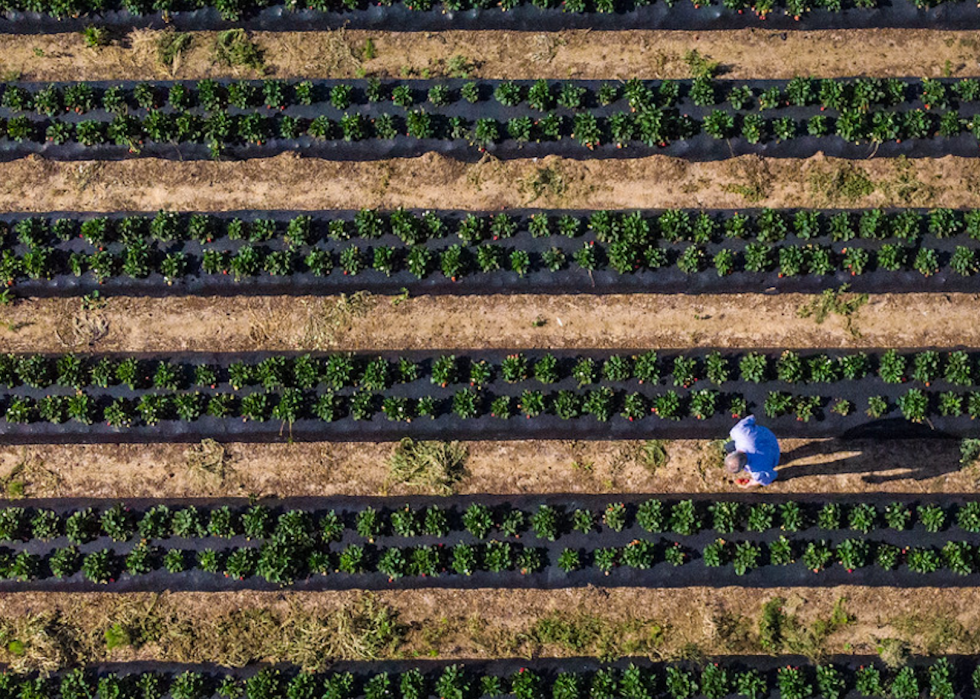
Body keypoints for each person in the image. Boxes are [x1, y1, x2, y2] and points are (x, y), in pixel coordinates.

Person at [724, 414, 780, 488]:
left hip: (774, 454)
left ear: (744, 466)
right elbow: (751, 418)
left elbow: (772, 476)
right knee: (728, 446)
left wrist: (751, 483)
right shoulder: (738, 431)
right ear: (732, 453)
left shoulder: (757, 471)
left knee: (729, 446)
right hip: (769, 436)